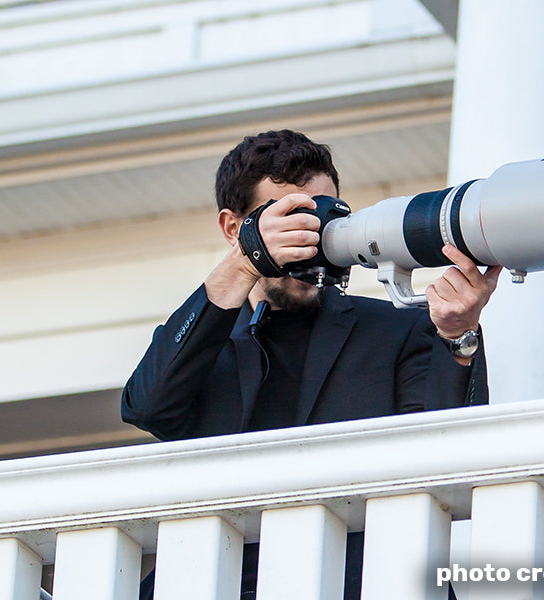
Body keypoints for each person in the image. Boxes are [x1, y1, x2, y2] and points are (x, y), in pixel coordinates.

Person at [121, 129, 499, 598]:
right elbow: (147, 408)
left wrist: (458, 335)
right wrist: (243, 264)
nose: (309, 239)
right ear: (234, 228)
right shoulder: (203, 341)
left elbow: (446, 453)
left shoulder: (399, 329)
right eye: (288, 219)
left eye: (322, 218)